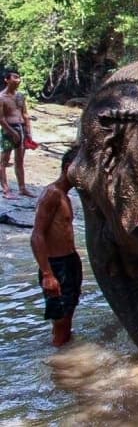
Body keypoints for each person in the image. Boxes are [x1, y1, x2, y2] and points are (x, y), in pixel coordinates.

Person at [31, 148, 82, 347]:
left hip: (69, 262)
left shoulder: (65, 196)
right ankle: (59, 364)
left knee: (67, 315)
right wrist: (47, 274)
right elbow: (37, 235)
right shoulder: (52, 194)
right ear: (69, 168)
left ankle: (63, 352)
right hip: (56, 265)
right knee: (61, 320)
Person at [1, 70, 35, 199]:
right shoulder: (1, 98)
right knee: (4, 160)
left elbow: (25, 114)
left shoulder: (20, 96)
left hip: (21, 129)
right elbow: (1, 119)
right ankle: (6, 189)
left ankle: (22, 188)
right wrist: (12, 132)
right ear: (7, 80)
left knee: (19, 160)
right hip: (8, 130)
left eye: (19, 78)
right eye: (15, 77)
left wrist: (28, 132)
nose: (18, 80)